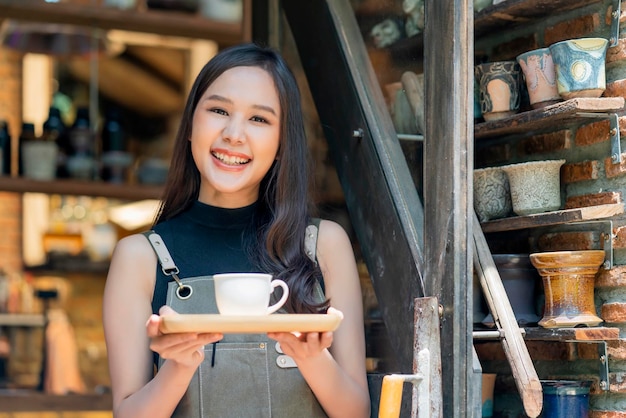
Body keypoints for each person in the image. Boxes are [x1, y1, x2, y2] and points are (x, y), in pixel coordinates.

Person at [102, 43, 370, 418]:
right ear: (191, 126)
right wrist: (178, 367)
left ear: (280, 144)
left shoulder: (322, 245)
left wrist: (312, 359)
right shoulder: (141, 257)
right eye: (218, 110)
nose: (233, 134)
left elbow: (356, 411)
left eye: (259, 119)